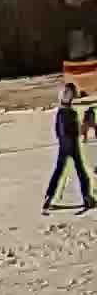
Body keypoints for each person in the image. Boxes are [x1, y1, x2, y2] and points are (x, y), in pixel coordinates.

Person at [46, 84, 93, 214]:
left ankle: (49, 196)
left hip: (63, 144)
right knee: (81, 172)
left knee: (59, 170)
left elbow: (58, 131)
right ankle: (87, 197)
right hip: (71, 144)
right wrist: (84, 125)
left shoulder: (60, 113)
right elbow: (75, 131)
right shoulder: (69, 113)